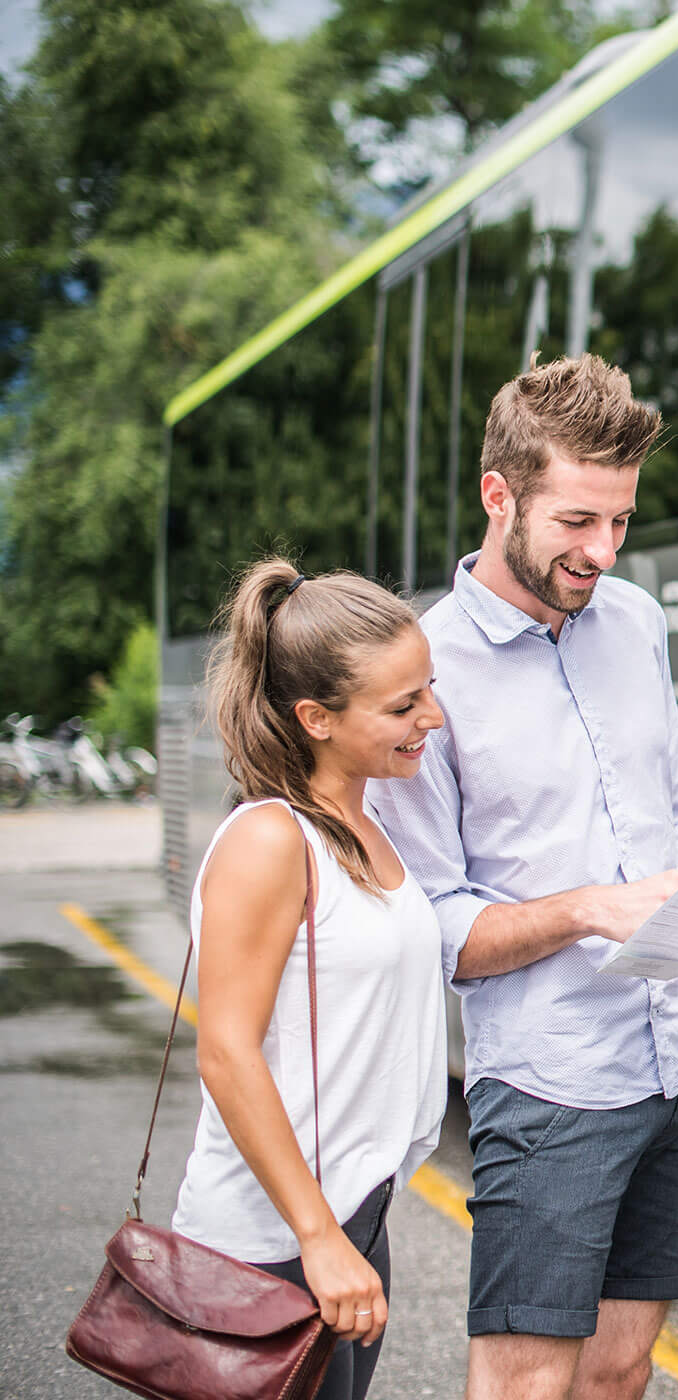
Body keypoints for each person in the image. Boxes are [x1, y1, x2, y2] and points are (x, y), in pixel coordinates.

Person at [369, 354, 678, 1400]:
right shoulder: (424, 669)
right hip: (550, 1085)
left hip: (675, 1065)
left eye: (620, 520)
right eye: (576, 520)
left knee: (619, 1370)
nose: (603, 551)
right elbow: (434, 929)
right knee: (526, 1383)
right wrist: (588, 911)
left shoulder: (638, 622)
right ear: (499, 495)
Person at [172, 558, 449, 1400]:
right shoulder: (269, 840)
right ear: (315, 718)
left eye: (429, 690)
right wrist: (316, 1235)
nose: (432, 717)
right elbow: (225, 1052)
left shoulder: (366, 825)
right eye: (402, 706)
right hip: (269, 1245)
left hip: (352, 1220)